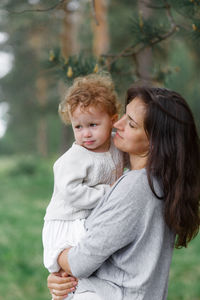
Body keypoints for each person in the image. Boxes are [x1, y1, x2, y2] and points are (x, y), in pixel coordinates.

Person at [47, 86, 200, 300]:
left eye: (131, 123)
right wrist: (62, 278)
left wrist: (57, 256)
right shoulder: (161, 183)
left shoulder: (136, 186)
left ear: (155, 141)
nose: (116, 124)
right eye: (124, 116)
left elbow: (80, 263)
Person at [42, 74, 124, 298]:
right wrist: (109, 193)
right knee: (71, 279)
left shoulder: (117, 145)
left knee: (88, 276)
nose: (85, 133)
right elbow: (71, 192)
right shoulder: (74, 158)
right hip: (68, 221)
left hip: (88, 218)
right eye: (78, 127)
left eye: (93, 125)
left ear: (113, 120)